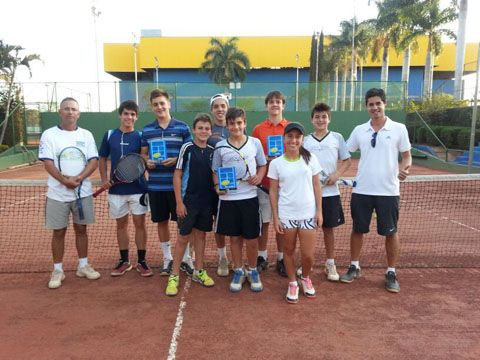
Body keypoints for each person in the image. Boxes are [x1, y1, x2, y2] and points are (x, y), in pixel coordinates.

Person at [340, 88, 411, 293]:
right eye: (371, 104)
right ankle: (354, 266)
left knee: (391, 232)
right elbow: (345, 152)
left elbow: (406, 155)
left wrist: (405, 168)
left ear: (384, 104)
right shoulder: (359, 130)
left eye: (378, 103)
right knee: (357, 230)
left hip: (388, 191)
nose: (375, 107)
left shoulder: (399, 129)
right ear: (366, 107)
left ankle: (391, 271)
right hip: (362, 190)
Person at [38, 97, 100, 289]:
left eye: (73, 109)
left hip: (82, 193)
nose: (70, 112)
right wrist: (65, 180)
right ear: (60, 112)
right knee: (59, 232)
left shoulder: (86, 135)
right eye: (66, 109)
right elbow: (48, 163)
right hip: (57, 194)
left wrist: (79, 178)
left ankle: (83, 265)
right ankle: (58, 270)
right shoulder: (49, 135)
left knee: (81, 229)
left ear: (78, 114)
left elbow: (93, 161)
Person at [212, 107, 267, 293]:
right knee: (234, 238)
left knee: (251, 240)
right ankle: (237, 270)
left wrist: (259, 177)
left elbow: (262, 165)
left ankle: (252, 270)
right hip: (228, 200)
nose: (235, 127)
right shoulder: (220, 146)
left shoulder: (255, 143)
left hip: (250, 198)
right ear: (227, 125)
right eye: (232, 123)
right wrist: (217, 186)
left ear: (244, 124)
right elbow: (215, 171)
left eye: (239, 123)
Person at [268, 122, 323, 304]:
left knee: (308, 256)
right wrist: (276, 217)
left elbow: (317, 185)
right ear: (284, 139)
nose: (293, 140)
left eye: (297, 137)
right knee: (288, 251)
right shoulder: (276, 163)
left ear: (302, 139)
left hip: (308, 214)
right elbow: (273, 191)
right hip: (286, 215)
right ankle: (293, 282)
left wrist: (319, 211)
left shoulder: (311, 159)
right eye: (289, 136)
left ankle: (305, 277)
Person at [141, 89, 193, 276]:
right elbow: (143, 154)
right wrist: (147, 161)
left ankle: (186, 259)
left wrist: (175, 159)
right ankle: (167, 258)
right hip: (156, 186)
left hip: (178, 187)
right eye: (155, 104)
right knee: (161, 222)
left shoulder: (183, 127)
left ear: (169, 104)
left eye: (162, 103)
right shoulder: (147, 129)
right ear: (152, 107)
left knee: (183, 223)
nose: (159, 107)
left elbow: (189, 152)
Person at [98, 100, 152, 277]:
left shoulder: (141, 136)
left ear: (136, 117)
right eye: (126, 113)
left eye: (132, 114)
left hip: (138, 188)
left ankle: (142, 261)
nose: (129, 117)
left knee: (140, 224)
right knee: (121, 225)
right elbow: (102, 158)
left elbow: (144, 159)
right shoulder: (109, 135)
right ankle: (124, 260)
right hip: (116, 190)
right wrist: (105, 179)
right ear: (120, 115)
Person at [166, 113, 217, 296]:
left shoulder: (212, 151)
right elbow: (177, 175)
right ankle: (174, 275)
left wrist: (220, 188)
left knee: (201, 237)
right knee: (183, 238)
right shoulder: (187, 148)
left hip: (206, 202)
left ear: (211, 131)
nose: (204, 131)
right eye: (200, 128)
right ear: (194, 130)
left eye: (207, 128)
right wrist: (179, 202)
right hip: (188, 202)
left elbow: (214, 176)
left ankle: (199, 270)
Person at [302, 103, 351, 281]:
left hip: (330, 193)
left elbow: (347, 161)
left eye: (324, 117)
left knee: (328, 229)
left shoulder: (337, 138)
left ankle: (330, 263)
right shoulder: (306, 140)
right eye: (317, 117)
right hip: (309, 194)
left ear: (329, 119)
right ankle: (306, 263)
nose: (320, 120)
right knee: (308, 229)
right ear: (312, 120)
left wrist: (337, 174)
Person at [251, 90, 290, 277]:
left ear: (283, 105)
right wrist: (266, 159)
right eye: (271, 102)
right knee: (264, 223)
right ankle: (262, 256)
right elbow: (254, 157)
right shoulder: (258, 129)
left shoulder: (290, 128)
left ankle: (282, 259)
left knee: (281, 223)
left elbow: (296, 154)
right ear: (267, 106)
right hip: (264, 186)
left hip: (285, 187)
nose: (275, 105)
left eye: (278, 102)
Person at [207, 93, 230, 277]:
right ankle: (222, 256)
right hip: (212, 185)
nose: (220, 109)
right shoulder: (208, 130)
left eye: (223, 105)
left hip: (234, 186)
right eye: (216, 106)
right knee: (216, 222)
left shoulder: (236, 127)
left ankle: (238, 259)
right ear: (212, 110)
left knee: (234, 221)